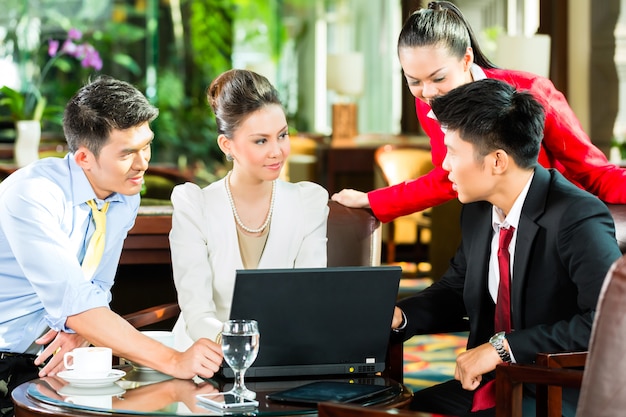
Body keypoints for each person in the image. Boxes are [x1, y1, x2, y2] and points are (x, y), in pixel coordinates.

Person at [391, 78, 622, 417]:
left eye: (453, 153)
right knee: (408, 410)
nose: (444, 166)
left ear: (497, 161)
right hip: (495, 384)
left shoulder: (575, 216)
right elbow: (456, 289)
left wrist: (503, 349)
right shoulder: (478, 209)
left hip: (560, 389)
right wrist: (402, 315)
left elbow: (609, 321)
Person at [0, 76, 222, 417]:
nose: (142, 162)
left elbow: (96, 289)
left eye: (146, 145)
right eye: (127, 153)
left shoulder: (122, 193)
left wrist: (80, 331)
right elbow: (76, 304)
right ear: (84, 158)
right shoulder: (32, 195)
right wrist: (175, 360)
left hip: (58, 362)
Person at [332, 1, 626, 223]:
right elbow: (447, 177)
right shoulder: (427, 106)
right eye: (414, 81)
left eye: (438, 78)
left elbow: (593, 171)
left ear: (466, 59)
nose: (428, 92)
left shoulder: (530, 90)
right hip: (492, 223)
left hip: (554, 216)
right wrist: (372, 201)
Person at [169, 69, 329, 349]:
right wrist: (239, 348)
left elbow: (310, 299)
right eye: (261, 140)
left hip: (281, 354)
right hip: (204, 355)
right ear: (227, 145)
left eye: (282, 135)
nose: (277, 151)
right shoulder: (195, 206)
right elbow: (197, 313)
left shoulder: (309, 203)